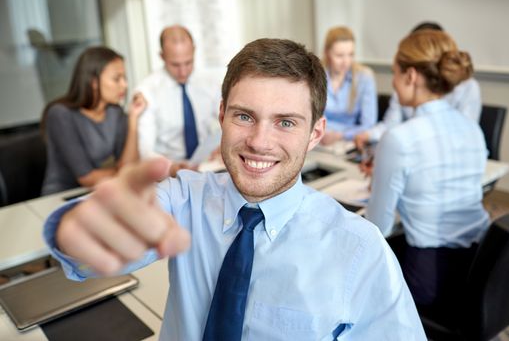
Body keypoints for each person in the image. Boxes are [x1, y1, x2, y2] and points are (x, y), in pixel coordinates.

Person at [43, 39, 426, 340]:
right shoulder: (184, 198)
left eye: (286, 122)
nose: (260, 141)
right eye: (245, 116)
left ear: (316, 134)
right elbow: (107, 234)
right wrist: (79, 231)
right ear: (222, 115)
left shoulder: (361, 250)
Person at [365, 30, 490, 317]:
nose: (394, 84)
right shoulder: (472, 128)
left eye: (395, 73)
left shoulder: (400, 139)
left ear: (410, 75)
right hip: (479, 267)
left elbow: (377, 229)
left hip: (429, 280)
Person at [354, 22, 482, 150]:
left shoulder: (468, 89)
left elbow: (461, 138)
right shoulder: (403, 87)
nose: (393, 82)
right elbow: (391, 123)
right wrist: (369, 135)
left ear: (411, 75)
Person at [41, 46, 147, 195]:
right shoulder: (60, 114)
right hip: (61, 197)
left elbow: (131, 166)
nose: (125, 85)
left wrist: (133, 118)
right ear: (93, 82)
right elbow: (87, 178)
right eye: (117, 79)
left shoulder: (114, 112)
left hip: (99, 192)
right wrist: (124, 172)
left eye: (125, 78)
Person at [135, 25, 220, 176]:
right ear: (162, 56)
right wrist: (170, 167)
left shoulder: (211, 83)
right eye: (175, 65)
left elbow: (228, 121)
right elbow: (144, 150)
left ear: (194, 50)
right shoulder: (147, 90)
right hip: (168, 172)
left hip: (207, 167)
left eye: (188, 63)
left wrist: (225, 147)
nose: (183, 71)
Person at [320, 26, 377, 144]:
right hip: (319, 139)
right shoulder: (316, 75)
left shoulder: (364, 77)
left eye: (351, 55)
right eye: (339, 55)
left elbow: (369, 124)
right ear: (327, 53)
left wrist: (340, 135)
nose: (346, 61)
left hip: (349, 141)